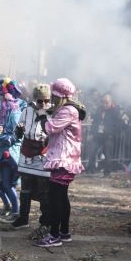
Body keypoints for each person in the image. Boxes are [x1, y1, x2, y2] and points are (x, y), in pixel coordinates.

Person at [33, 78, 85, 248]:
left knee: (56, 198)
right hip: (64, 158)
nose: (52, 100)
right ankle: (64, 231)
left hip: (63, 159)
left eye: (54, 97)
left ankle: (54, 235)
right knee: (62, 197)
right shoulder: (69, 109)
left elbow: (51, 128)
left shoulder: (67, 111)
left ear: (60, 96)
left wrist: (41, 115)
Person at [13, 83, 51, 231]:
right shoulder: (27, 110)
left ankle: (45, 221)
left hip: (43, 154)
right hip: (27, 151)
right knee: (25, 189)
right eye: (40, 101)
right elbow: (18, 132)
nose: (43, 104)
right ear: (35, 99)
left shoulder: (52, 112)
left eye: (46, 100)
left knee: (44, 190)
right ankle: (23, 218)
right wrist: (19, 130)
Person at [0, 78, 23, 221]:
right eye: (1, 96)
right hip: (0, 153)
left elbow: (17, 135)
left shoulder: (15, 112)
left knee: (7, 185)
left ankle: (16, 212)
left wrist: (3, 137)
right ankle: (8, 206)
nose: (3, 100)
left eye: (5, 96)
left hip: (10, 155)